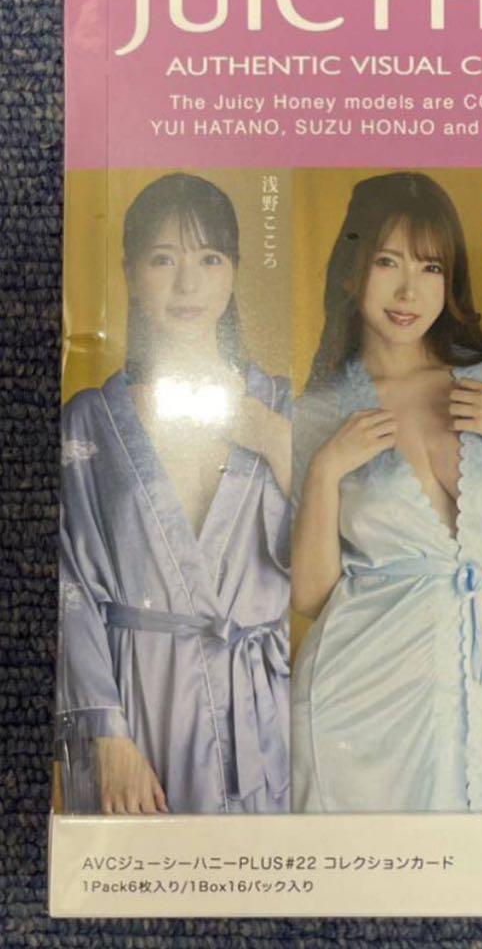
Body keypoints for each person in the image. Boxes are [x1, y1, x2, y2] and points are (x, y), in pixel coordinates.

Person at [56, 173, 292, 815]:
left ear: (234, 271)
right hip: (135, 710)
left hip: (263, 716)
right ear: (130, 273)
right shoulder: (88, 423)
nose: (188, 284)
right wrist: (107, 737)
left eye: (210, 259)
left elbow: (332, 569)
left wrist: (278, 444)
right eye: (164, 259)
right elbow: (68, 588)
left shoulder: (285, 409)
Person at [290, 172, 482, 812]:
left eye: (430, 267)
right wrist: (325, 471)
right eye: (387, 262)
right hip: (361, 705)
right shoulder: (317, 413)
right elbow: (312, 597)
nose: (408, 291)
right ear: (350, 272)